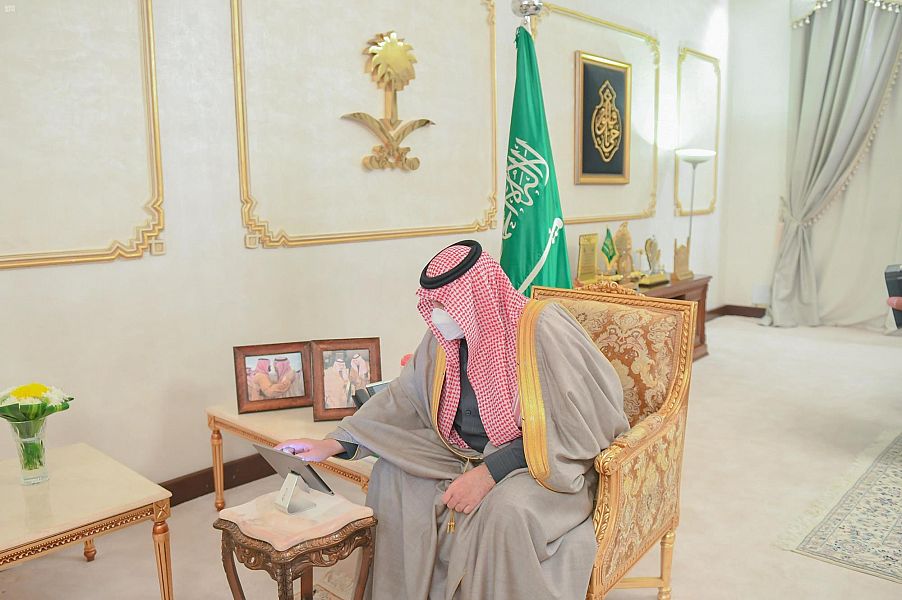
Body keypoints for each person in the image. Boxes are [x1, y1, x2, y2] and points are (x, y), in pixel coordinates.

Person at [277, 240, 629, 600]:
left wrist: (490, 473)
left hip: (538, 462)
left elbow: (577, 425)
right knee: (391, 476)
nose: (437, 315)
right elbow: (404, 398)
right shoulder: (445, 338)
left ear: (477, 296)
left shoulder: (541, 329)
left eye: (446, 305)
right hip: (459, 452)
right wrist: (333, 443)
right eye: (434, 305)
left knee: (506, 512)